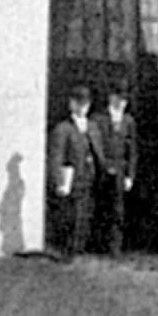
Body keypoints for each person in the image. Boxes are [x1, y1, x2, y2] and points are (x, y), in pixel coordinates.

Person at [47, 86, 101, 261]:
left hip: (89, 177)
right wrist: (59, 181)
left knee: (86, 214)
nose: (82, 108)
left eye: (85, 104)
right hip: (72, 178)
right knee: (72, 216)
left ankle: (81, 249)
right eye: (78, 104)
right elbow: (56, 156)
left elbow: (98, 151)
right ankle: (69, 251)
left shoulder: (92, 126)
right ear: (71, 104)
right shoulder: (63, 129)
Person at [92, 86, 139, 256]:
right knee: (101, 208)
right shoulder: (98, 119)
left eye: (125, 101)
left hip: (120, 171)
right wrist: (104, 166)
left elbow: (132, 151)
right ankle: (99, 245)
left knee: (118, 211)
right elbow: (96, 146)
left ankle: (115, 248)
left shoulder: (128, 121)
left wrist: (130, 175)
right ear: (111, 99)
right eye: (119, 99)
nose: (122, 103)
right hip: (102, 170)